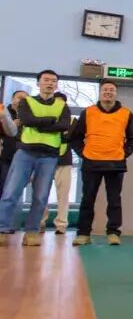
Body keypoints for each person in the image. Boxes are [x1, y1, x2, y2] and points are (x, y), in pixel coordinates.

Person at [0, 72, 70, 246]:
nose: (50, 83)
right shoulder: (27, 102)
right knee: (10, 193)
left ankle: (31, 232)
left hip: (49, 155)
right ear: (38, 83)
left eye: (53, 81)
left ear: (56, 85)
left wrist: (40, 124)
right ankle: (2, 229)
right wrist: (51, 121)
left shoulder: (62, 106)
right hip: (25, 153)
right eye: (46, 80)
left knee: (41, 196)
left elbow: (64, 125)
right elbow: (27, 120)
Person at [70, 81, 133, 246]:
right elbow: (75, 137)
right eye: (105, 90)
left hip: (115, 164)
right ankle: (83, 233)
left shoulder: (126, 113)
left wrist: (123, 153)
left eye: (112, 90)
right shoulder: (88, 112)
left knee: (114, 200)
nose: (108, 92)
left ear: (116, 93)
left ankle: (113, 233)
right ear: (100, 93)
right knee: (88, 199)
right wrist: (83, 154)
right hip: (91, 163)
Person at [41, 92, 74, 234]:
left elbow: (69, 137)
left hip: (64, 161)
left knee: (63, 195)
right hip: (45, 159)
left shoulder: (72, 120)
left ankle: (61, 224)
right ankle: (40, 222)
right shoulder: (44, 118)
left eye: (61, 103)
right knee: (41, 193)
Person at [0, 90, 27, 194]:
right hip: (5, 156)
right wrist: (11, 125)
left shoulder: (29, 116)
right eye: (19, 97)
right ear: (12, 99)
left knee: (16, 189)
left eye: (25, 98)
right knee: (3, 185)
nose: (22, 100)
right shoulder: (4, 113)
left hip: (23, 156)